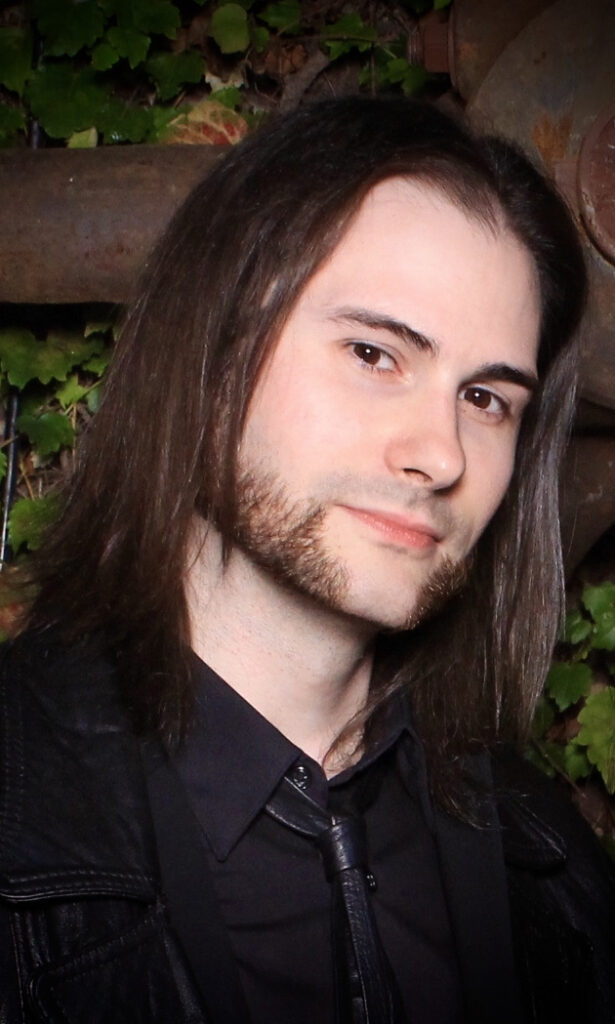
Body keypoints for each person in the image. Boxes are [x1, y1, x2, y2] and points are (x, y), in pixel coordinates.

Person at [0, 96, 613, 1024]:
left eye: (485, 398)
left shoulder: (550, 864)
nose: (441, 456)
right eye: (374, 353)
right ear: (214, 353)